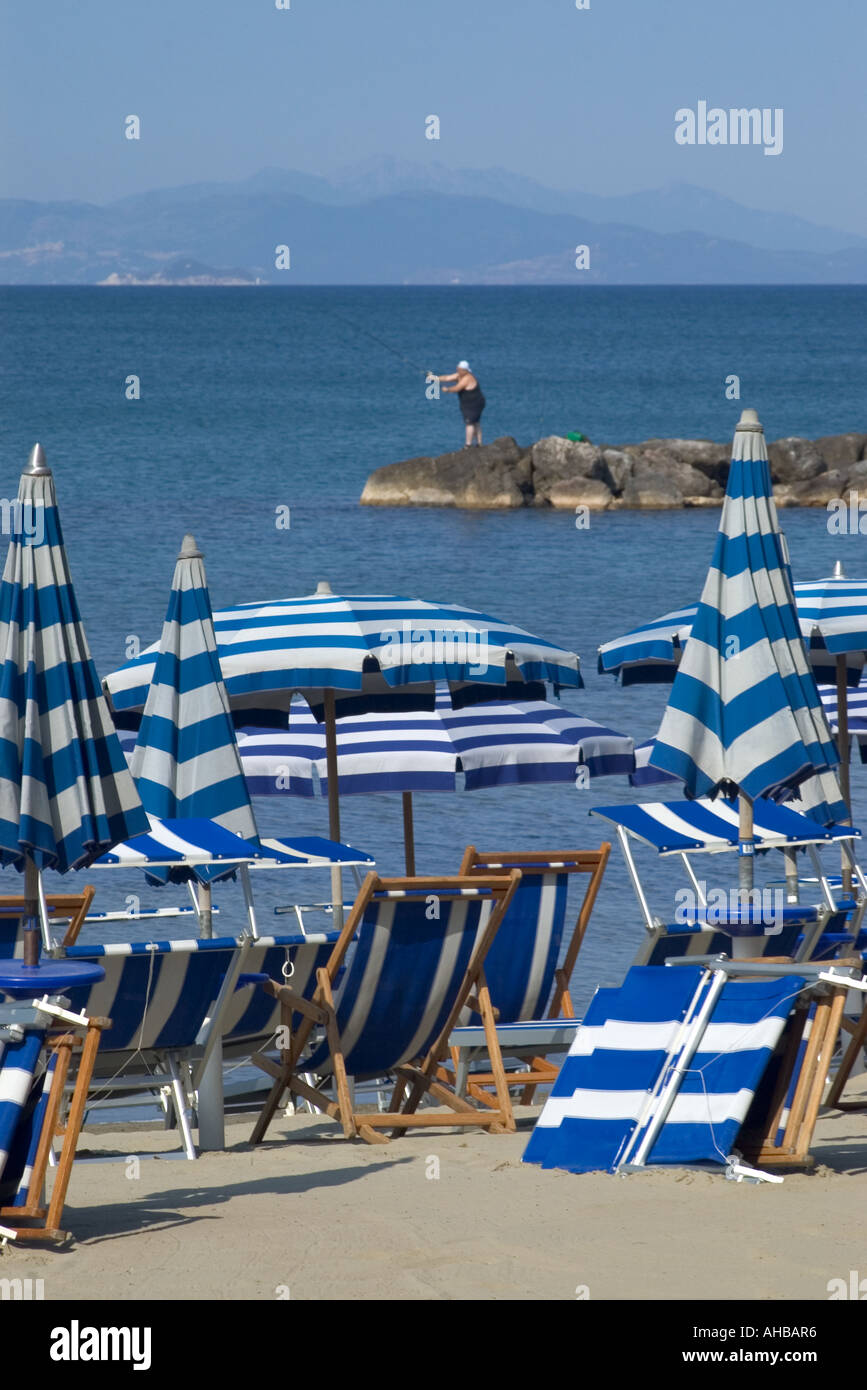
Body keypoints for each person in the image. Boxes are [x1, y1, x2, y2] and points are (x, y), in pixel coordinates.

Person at [431, 360, 486, 447]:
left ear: (465, 370)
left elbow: (457, 388)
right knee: (475, 422)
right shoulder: (459, 375)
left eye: (459, 369)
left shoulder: (467, 378)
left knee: (470, 423)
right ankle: (479, 443)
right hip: (468, 403)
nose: (457, 370)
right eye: (457, 368)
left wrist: (448, 390)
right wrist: (435, 378)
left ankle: (468, 445)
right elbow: (447, 378)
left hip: (475, 403)